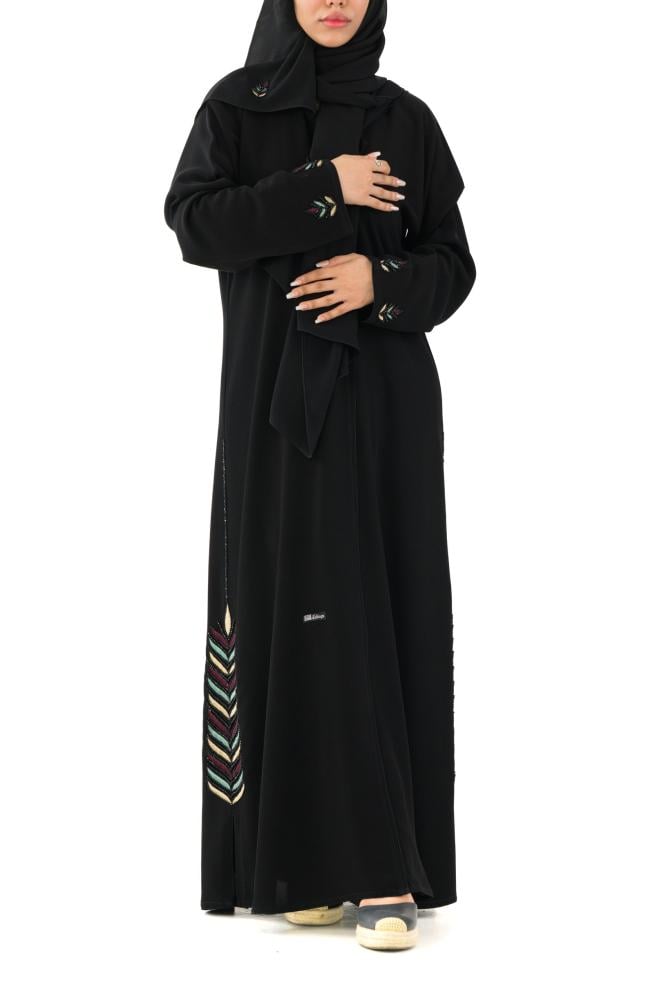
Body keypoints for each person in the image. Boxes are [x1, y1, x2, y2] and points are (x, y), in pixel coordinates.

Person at [163, 0, 476, 951]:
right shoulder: (236, 108)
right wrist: (323, 186)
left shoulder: (403, 120)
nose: (334, 2)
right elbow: (197, 226)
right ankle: (297, 864)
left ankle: (385, 873)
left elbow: (452, 266)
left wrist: (381, 286)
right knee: (283, 608)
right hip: (272, 410)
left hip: (383, 406)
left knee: (381, 609)